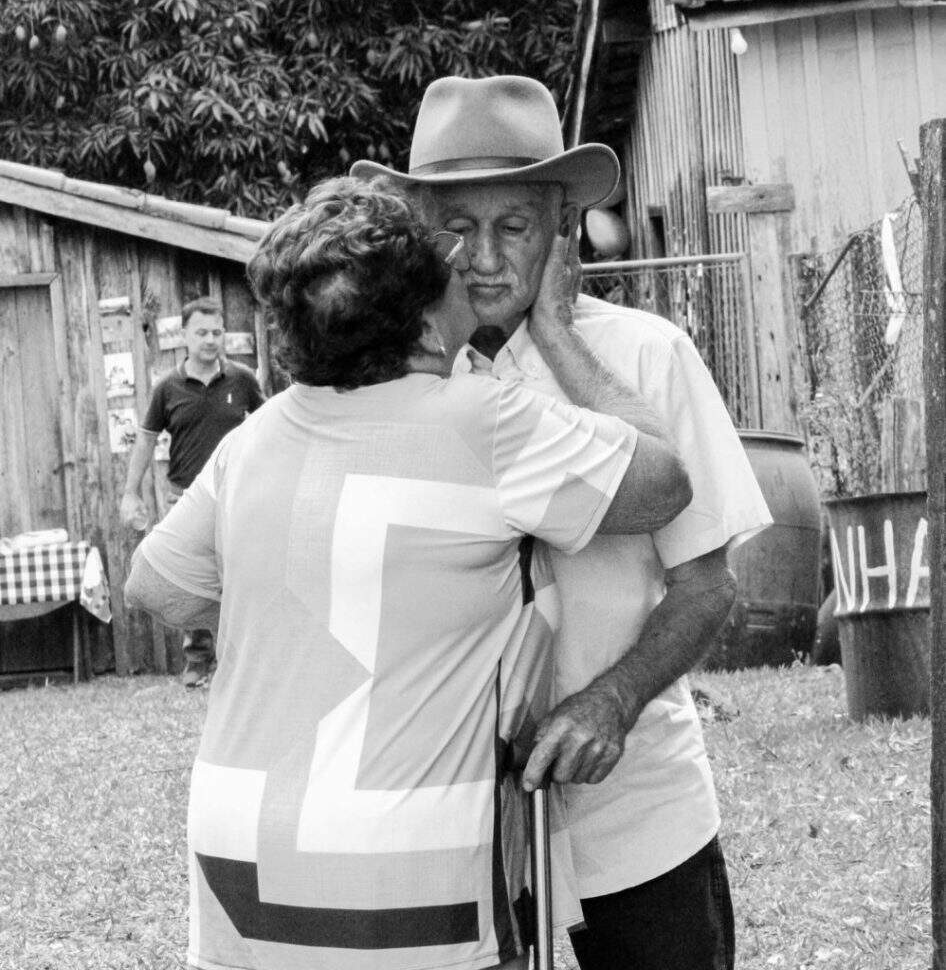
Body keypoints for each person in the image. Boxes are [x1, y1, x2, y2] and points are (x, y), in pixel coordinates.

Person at [124, 176, 691, 970]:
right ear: (424, 323)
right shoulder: (484, 423)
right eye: (448, 256)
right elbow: (665, 479)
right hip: (404, 866)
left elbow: (155, 586)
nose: (469, 264)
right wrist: (558, 328)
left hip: (235, 862)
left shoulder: (254, 440)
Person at [352, 75, 773, 970]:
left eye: (513, 226)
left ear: (562, 231)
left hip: (638, 817)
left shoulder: (645, 355)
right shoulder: (393, 386)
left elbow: (709, 584)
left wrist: (611, 701)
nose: (483, 258)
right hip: (457, 833)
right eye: (456, 229)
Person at [120, 296, 265, 687]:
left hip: (239, 497)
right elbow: (146, 440)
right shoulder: (167, 387)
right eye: (201, 332)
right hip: (184, 496)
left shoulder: (243, 380)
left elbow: (269, 428)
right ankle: (198, 663)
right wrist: (130, 493)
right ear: (184, 335)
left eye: (217, 332)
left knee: (242, 576)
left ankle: (243, 662)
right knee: (195, 580)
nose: (210, 339)